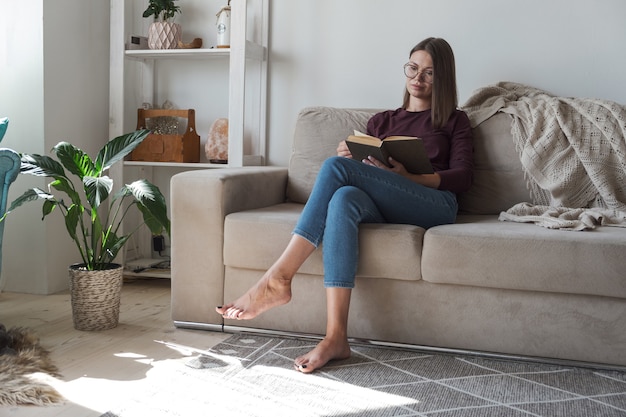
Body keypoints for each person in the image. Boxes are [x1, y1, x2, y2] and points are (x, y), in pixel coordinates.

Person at [216, 37, 473, 373]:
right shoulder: (382, 122)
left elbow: (463, 177)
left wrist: (408, 176)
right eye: (413, 68)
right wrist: (354, 158)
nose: (417, 78)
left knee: (335, 170)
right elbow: (365, 172)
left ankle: (278, 278)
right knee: (343, 197)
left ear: (443, 79)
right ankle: (336, 337)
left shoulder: (456, 121)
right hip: (386, 203)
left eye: (429, 73)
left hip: (434, 205)